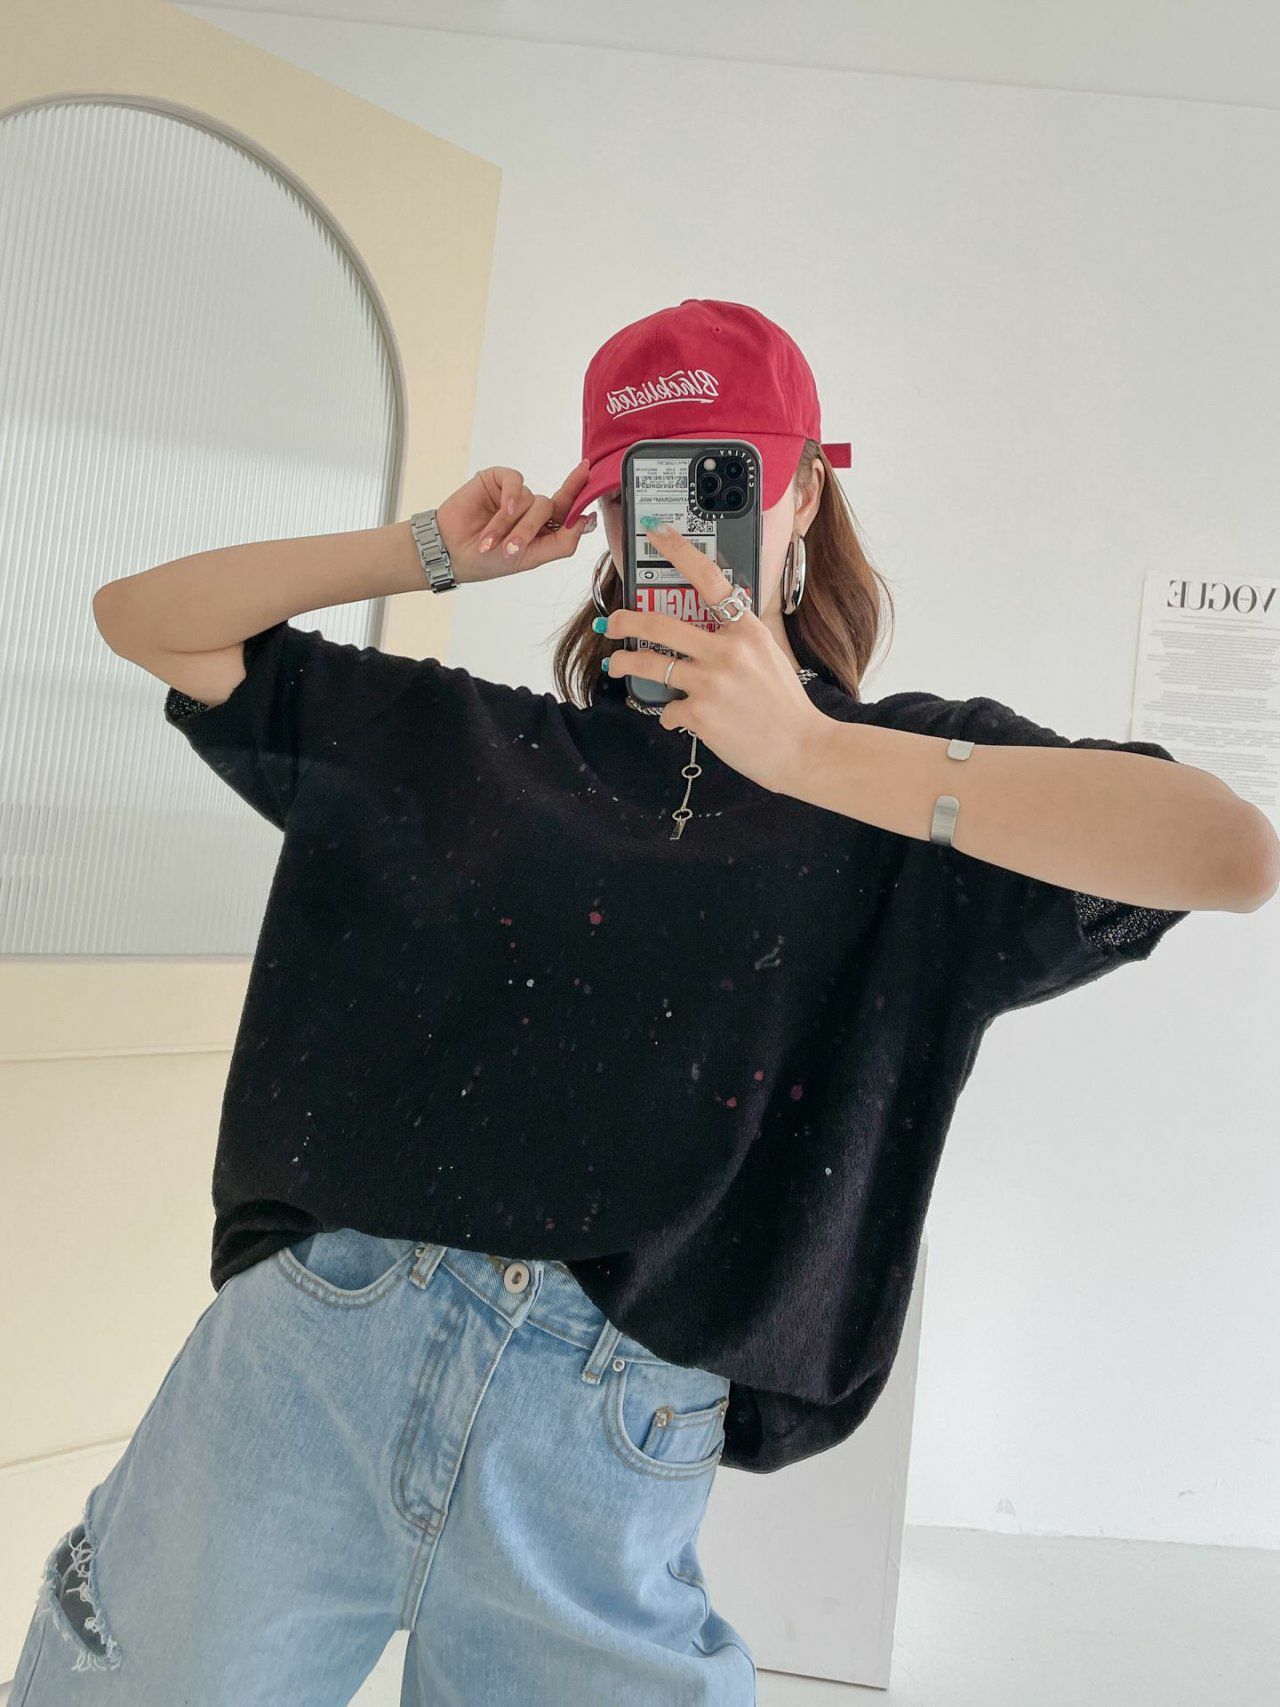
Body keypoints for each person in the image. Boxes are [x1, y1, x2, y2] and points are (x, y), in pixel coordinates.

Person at [13, 300, 1276, 1706]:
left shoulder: (906, 797)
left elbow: (1226, 853)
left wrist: (808, 750)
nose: (677, 530)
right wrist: (425, 551)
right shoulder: (464, 741)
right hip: (305, 1373)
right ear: (600, 515)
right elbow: (145, 622)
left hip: (601, 1443)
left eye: (721, 480)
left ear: (805, 496)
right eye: (641, 489)